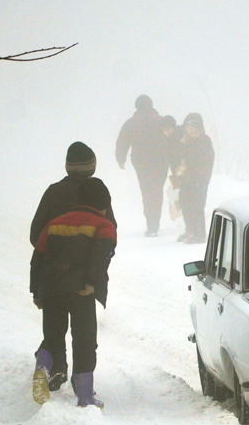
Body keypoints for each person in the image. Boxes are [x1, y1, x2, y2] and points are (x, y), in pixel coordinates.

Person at [30, 178, 117, 408]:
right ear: (103, 205)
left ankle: (42, 368)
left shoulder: (54, 224)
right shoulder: (103, 225)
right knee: (85, 341)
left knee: (53, 336)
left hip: (51, 289)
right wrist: (92, 283)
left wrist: (36, 292)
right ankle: (85, 396)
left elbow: (37, 257)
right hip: (80, 291)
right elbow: (101, 256)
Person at [30, 141, 116, 248]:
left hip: (52, 260)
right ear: (92, 167)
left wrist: (50, 252)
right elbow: (110, 230)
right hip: (88, 262)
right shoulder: (97, 193)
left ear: (67, 166)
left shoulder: (54, 191)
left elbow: (36, 231)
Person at [114, 95, 171, 236]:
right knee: (157, 190)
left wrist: (120, 160)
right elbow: (173, 138)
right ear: (151, 105)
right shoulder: (161, 121)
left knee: (147, 191)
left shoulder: (131, 122)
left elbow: (122, 142)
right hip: (161, 161)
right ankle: (155, 222)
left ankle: (151, 224)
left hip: (142, 163)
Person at [171, 113, 214, 243]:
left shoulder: (204, 140)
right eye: (187, 127)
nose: (189, 130)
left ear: (199, 127)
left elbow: (203, 159)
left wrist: (190, 166)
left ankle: (199, 234)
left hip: (199, 179)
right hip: (186, 179)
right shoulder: (184, 141)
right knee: (185, 204)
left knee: (197, 205)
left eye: (192, 127)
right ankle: (190, 230)